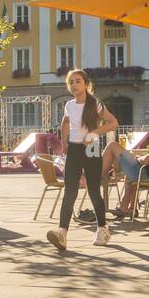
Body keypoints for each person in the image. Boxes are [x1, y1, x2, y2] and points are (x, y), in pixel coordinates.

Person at [46, 69, 118, 251]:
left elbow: (113, 122)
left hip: (92, 147)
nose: (74, 85)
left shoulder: (95, 104)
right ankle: (62, 232)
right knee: (69, 190)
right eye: (71, 82)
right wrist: (64, 142)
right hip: (75, 149)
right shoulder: (69, 104)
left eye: (77, 81)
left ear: (86, 84)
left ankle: (102, 228)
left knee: (94, 190)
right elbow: (65, 122)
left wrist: (94, 132)